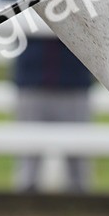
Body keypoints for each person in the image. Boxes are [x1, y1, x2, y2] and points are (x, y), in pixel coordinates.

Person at [13, 34, 94, 193]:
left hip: (73, 82)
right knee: (28, 164)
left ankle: (81, 210)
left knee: (78, 165)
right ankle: (22, 211)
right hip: (33, 81)